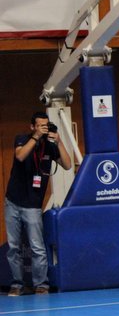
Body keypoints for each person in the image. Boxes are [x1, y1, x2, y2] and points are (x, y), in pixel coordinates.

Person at [4, 112, 72, 296]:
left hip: (33, 204)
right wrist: (36, 137)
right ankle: (17, 284)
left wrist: (58, 142)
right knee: (13, 247)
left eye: (46, 125)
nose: (44, 128)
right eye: (40, 125)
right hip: (13, 201)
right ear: (32, 126)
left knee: (37, 247)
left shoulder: (49, 146)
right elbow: (20, 156)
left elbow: (67, 165)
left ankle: (41, 284)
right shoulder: (22, 139)